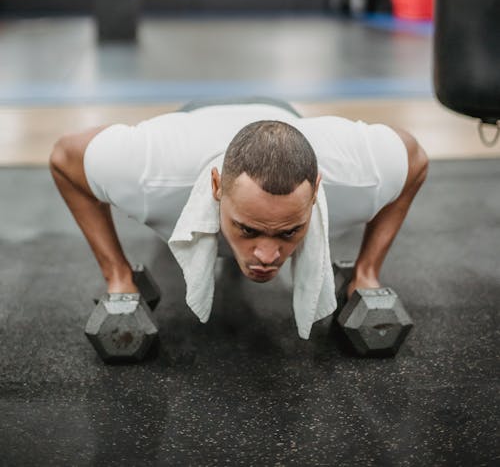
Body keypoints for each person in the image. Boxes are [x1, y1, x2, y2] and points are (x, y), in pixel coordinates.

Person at [49, 99, 428, 339]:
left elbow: (415, 160)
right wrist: (117, 274)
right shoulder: (150, 172)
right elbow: (65, 158)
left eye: (288, 232)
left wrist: (367, 271)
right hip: (194, 116)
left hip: (283, 116)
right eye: (248, 230)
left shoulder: (359, 172)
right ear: (216, 186)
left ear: (317, 190)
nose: (266, 255)